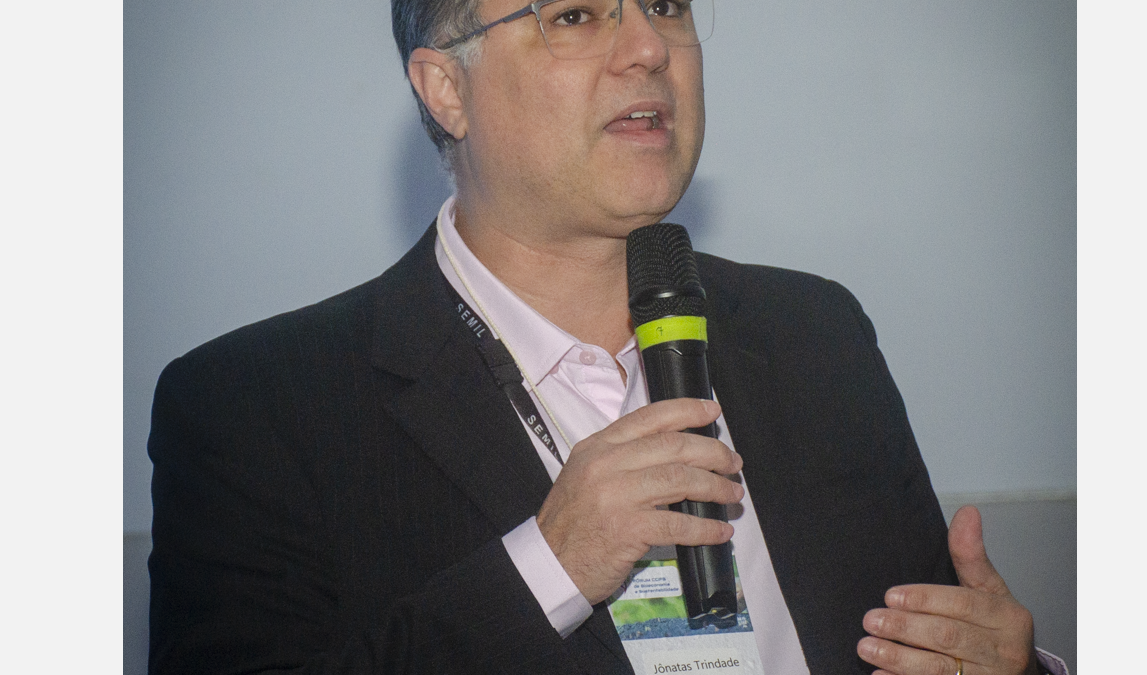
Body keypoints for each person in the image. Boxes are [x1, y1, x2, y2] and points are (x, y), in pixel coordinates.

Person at [147, 1, 1068, 673]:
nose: (648, 49)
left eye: (665, 5)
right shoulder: (255, 409)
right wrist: (549, 565)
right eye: (575, 15)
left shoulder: (815, 333)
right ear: (446, 89)